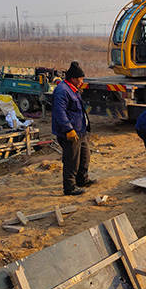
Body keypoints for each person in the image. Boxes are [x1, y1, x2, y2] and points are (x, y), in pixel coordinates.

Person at [52, 61, 94, 195]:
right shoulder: (62, 91)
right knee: (72, 160)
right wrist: (68, 129)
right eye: (80, 79)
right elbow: (59, 112)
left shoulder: (73, 89)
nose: (82, 81)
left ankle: (82, 180)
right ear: (73, 79)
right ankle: (69, 187)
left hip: (80, 131)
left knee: (84, 157)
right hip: (70, 132)